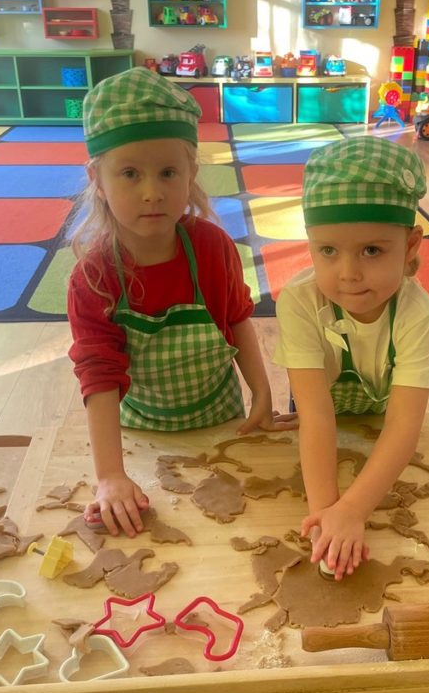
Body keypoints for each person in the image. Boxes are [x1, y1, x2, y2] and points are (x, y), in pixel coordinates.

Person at [67, 67, 291, 537]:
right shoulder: (94, 276)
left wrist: (262, 393)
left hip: (220, 421)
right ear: (97, 179)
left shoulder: (211, 247)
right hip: (141, 436)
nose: (152, 192)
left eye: (168, 172)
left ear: (191, 173)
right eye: (130, 173)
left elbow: (237, 320)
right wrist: (110, 475)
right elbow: (99, 376)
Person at [273, 138, 429, 580]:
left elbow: (403, 425)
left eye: (371, 250)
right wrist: (326, 516)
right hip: (318, 424)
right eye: (328, 250)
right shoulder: (299, 302)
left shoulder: (417, 314)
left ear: (410, 245)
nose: (348, 274)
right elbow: (316, 415)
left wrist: (353, 509)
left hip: (380, 425)